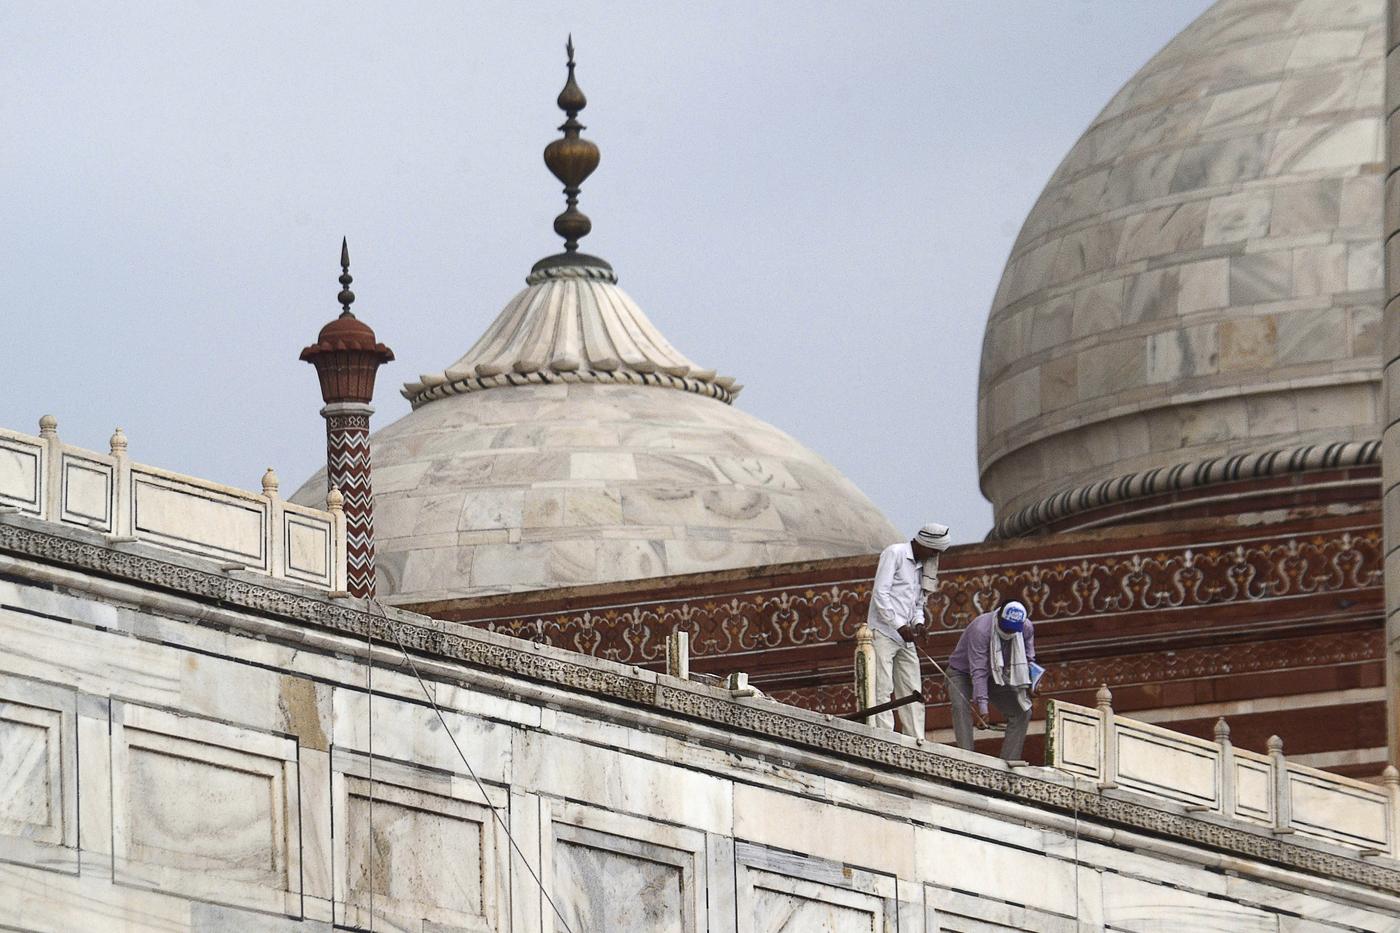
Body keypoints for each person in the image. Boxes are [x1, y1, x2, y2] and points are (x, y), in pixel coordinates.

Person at [865, 523, 951, 735]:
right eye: (934, 551)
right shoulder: (895, 553)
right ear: (924, 544)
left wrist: (919, 624)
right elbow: (880, 594)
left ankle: (916, 739)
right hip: (884, 632)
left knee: (913, 689)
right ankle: (884, 735)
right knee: (882, 687)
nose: (935, 556)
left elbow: (918, 603)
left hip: (905, 637)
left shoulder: (924, 567)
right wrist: (898, 625)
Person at [946, 600, 1036, 761]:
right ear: (999, 617)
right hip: (961, 672)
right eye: (1006, 627)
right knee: (960, 708)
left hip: (996, 674)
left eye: (1013, 629)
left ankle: (1009, 763)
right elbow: (978, 670)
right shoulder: (981, 629)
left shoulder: (1026, 627)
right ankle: (967, 761)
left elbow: (1029, 658)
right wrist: (983, 709)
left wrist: (1032, 682)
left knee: (1023, 712)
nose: (1009, 632)